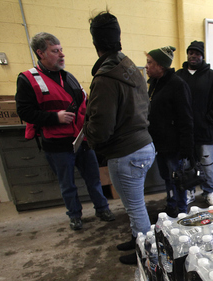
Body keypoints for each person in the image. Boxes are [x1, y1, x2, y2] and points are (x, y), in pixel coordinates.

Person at [15, 32, 115, 231]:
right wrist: (55, 118)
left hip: (82, 140)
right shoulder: (28, 79)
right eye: (55, 51)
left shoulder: (68, 77)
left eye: (61, 50)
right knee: (67, 184)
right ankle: (75, 215)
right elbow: (24, 111)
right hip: (57, 144)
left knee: (94, 179)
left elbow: (84, 106)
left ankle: (102, 208)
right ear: (40, 53)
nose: (61, 55)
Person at [83, 11, 156, 265]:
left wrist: (90, 138)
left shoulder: (105, 78)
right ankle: (138, 239)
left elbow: (101, 127)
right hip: (143, 145)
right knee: (134, 203)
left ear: (96, 43)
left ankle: (147, 255)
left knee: (135, 206)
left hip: (125, 152)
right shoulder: (131, 68)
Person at [176, 41, 213, 206]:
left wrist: (208, 122)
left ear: (202, 56)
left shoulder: (212, 77)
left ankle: (209, 191)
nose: (193, 56)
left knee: (207, 164)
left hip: (206, 132)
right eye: (191, 52)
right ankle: (189, 191)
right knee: (187, 165)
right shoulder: (179, 76)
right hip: (184, 132)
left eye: (197, 53)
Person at [146, 46, 194, 218]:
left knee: (178, 179)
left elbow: (186, 118)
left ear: (161, 65)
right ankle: (171, 203)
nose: (146, 66)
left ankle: (182, 211)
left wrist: (186, 147)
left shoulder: (177, 85)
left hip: (174, 144)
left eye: (150, 63)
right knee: (166, 177)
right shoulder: (154, 84)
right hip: (159, 142)